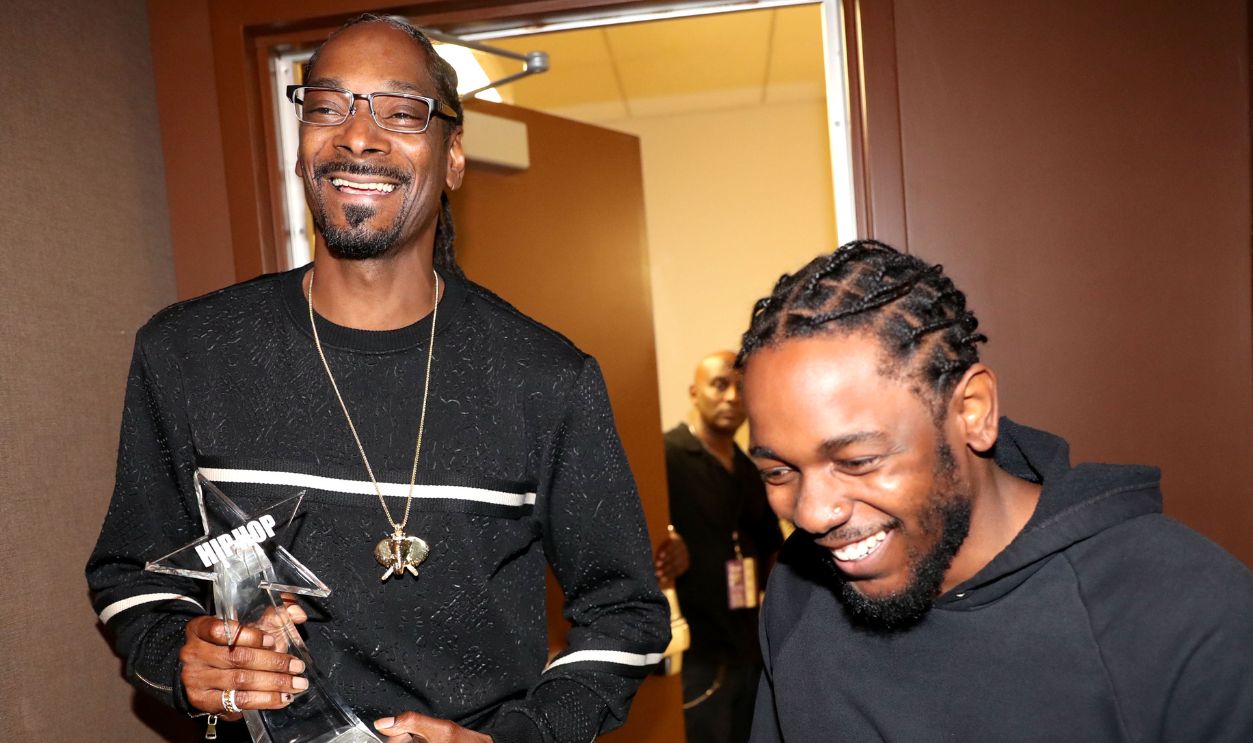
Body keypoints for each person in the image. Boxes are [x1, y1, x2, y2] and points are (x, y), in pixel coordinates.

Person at [85, 14, 668, 743]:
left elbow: (626, 610)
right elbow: (131, 572)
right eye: (328, 107)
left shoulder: (544, 378)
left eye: (400, 113)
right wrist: (181, 656)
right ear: (299, 146)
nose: (357, 137)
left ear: (453, 155)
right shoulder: (189, 351)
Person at [738, 240, 1253, 741]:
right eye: (779, 472)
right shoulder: (798, 590)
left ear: (972, 411)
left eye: (857, 461)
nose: (812, 514)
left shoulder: (1190, 613)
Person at [663, 351, 783, 743]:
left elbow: (771, 549)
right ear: (695, 392)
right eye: (720, 385)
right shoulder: (665, 456)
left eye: (741, 388)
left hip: (748, 650)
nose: (733, 397)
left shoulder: (752, 471)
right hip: (696, 654)